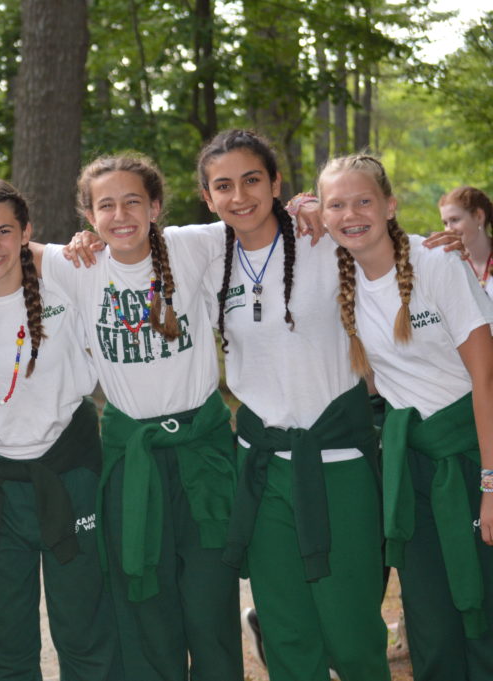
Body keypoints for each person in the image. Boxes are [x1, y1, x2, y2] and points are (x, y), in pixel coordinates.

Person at [0, 154, 241, 680]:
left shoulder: (190, 247)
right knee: (139, 600)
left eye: (133, 201)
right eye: (106, 205)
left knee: (203, 605)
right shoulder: (74, 264)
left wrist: (307, 207)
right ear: (87, 215)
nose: (120, 214)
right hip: (93, 459)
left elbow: (254, 220)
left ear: (155, 206)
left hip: (184, 449)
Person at [199, 129, 390, 681]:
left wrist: (458, 247)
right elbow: (122, 244)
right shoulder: (207, 255)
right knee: (287, 636)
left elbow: (392, 248)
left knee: (352, 636)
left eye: (252, 180)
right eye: (224, 186)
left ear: (278, 183)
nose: (240, 196)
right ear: (209, 199)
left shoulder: (323, 237)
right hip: (262, 467)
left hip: (339, 462)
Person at [320, 153, 493, 680]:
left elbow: (486, 380)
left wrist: (491, 483)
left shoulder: (436, 262)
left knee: (481, 608)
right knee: (428, 617)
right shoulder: (334, 272)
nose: (352, 214)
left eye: (364, 200)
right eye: (337, 205)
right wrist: (305, 207)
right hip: (409, 465)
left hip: (470, 454)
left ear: (391, 206)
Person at [0, 179, 119, 680]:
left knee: (86, 623)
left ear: (26, 233)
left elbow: (119, 253)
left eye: (4, 231)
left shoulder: (66, 276)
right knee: (1, 636)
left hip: (70, 469)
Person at [440, 186, 493, 299]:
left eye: (455, 220)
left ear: (479, 216)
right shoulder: (448, 265)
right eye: (445, 223)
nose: (449, 229)